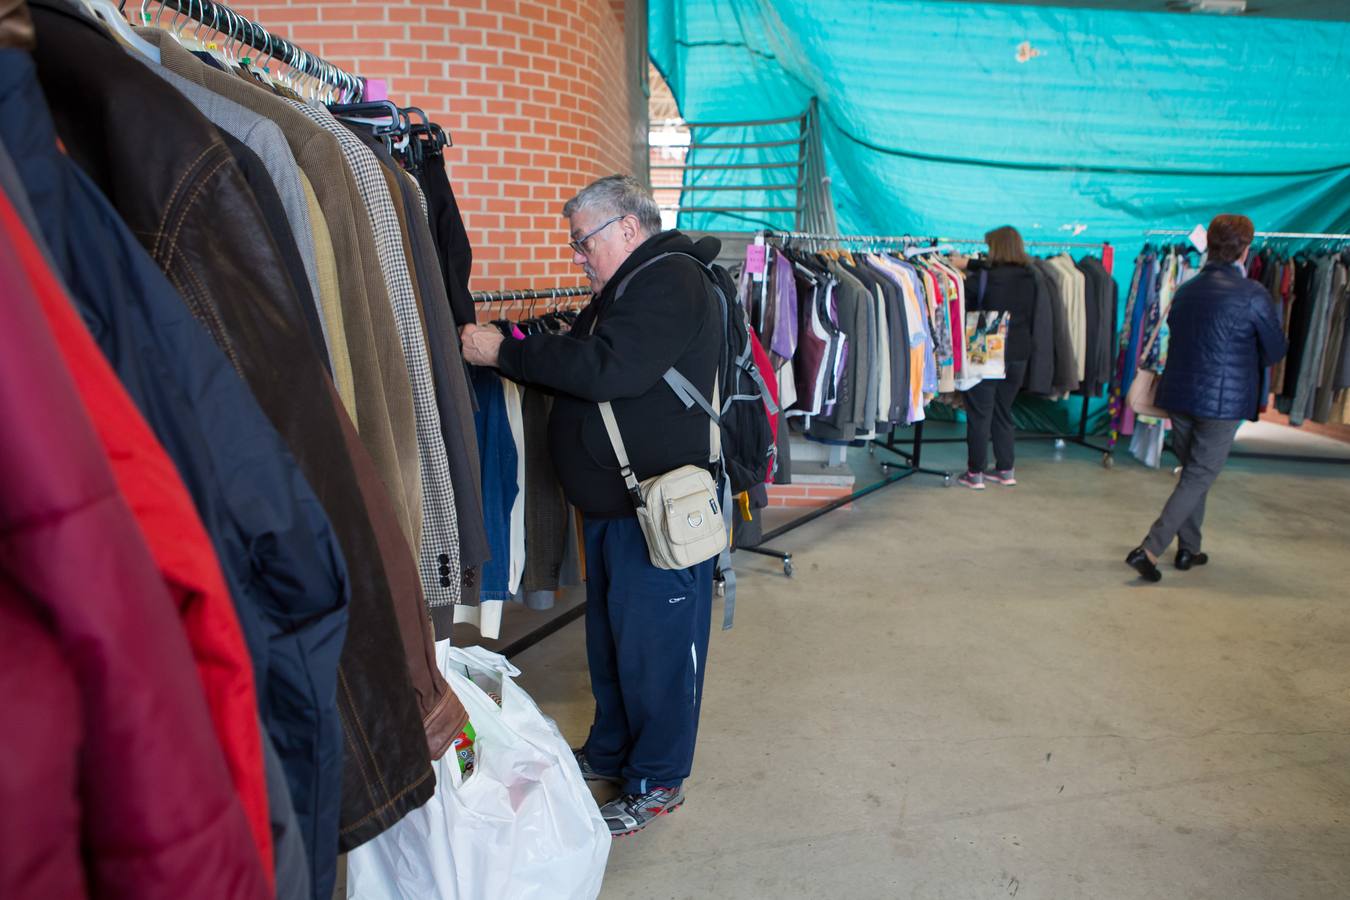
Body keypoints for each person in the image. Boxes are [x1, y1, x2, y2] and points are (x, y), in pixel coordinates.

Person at [459, 175, 723, 836]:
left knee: (656, 654)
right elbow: (584, 357)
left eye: (584, 242)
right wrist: (517, 347)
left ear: (627, 230)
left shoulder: (669, 279)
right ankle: (610, 753)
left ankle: (657, 779)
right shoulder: (629, 286)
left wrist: (505, 352)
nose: (578, 255)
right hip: (620, 510)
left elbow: (608, 369)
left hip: (653, 512)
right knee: (614, 647)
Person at [1126, 214, 1287, 582]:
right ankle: (1149, 549)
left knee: (1192, 474)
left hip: (1179, 395)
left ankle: (1189, 549)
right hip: (1223, 402)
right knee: (1198, 475)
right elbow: (1275, 349)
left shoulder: (1187, 289)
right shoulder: (1252, 295)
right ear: (1244, 250)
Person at [957, 225, 1039, 489]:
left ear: (996, 248)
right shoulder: (1031, 276)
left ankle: (975, 473)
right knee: (1003, 411)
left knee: (980, 413)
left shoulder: (983, 277)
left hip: (987, 345)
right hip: (1018, 351)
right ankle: (1005, 469)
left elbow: (967, 305)